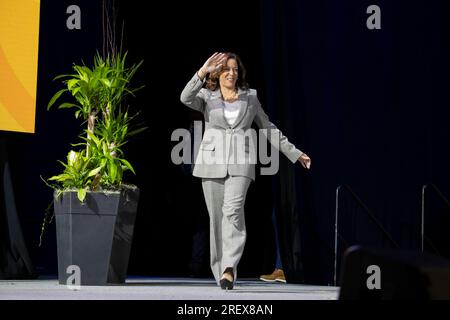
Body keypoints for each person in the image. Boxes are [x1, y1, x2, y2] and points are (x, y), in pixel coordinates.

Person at [180, 52, 311, 290]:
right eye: (227, 69)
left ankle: (229, 267)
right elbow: (184, 97)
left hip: (241, 163)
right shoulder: (206, 97)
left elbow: (268, 127)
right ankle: (221, 271)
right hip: (211, 162)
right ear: (218, 73)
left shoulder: (250, 97)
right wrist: (202, 71)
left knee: (233, 211)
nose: (231, 73)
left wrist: (294, 152)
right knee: (217, 219)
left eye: (235, 69)